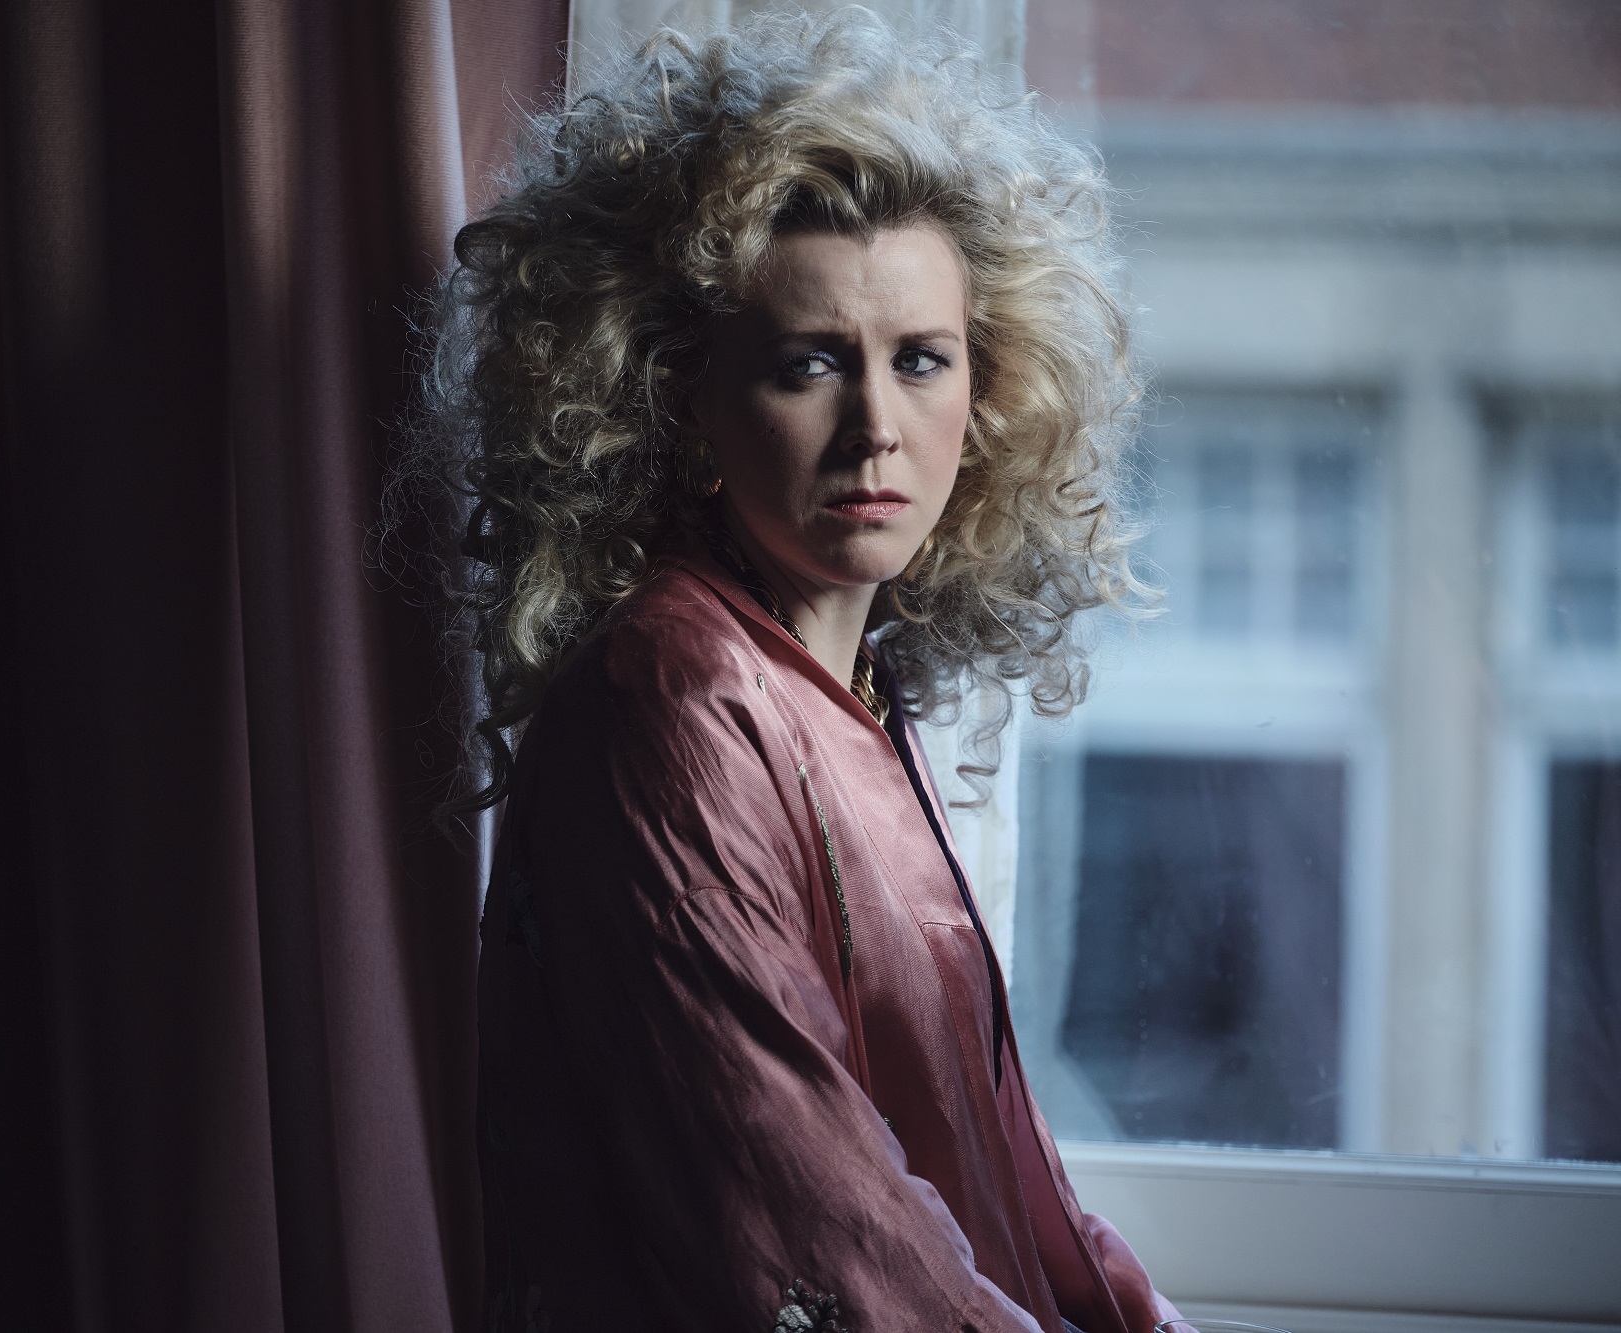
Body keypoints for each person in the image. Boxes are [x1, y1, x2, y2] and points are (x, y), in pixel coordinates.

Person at [416, 10, 1180, 1331]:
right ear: (684, 401)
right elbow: (817, 1229)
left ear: (986, 397)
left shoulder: (858, 693)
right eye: (810, 364)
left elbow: (1010, 1192)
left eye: (921, 360)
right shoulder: (675, 693)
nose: (876, 427)